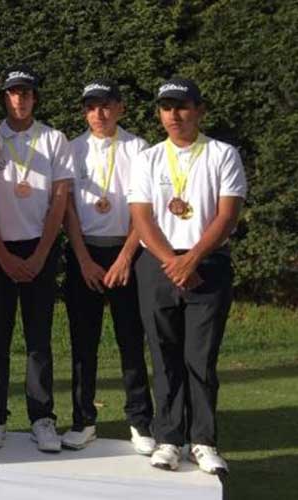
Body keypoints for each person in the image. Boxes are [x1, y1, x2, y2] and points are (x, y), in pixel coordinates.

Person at [128, 78, 246, 475]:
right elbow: (141, 217)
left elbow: (227, 214)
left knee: (201, 358)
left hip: (207, 265)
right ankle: (168, 439)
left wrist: (192, 258)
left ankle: (204, 441)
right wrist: (172, 262)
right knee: (164, 356)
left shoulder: (222, 154)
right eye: (166, 108)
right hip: (158, 265)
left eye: (181, 107)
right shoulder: (148, 158)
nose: (173, 116)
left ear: (199, 110)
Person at [0, 65, 74, 452]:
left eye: (26, 93)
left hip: (40, 249)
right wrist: (1, 253)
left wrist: (40, 254)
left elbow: (60, 200)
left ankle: (42, 418)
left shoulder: (54, 139)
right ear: (5, 98)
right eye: (13, 93)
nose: (20, 99)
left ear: (35, 97)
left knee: (38, 338)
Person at [60, 80, 155, 453]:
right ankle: (83, 421)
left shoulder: (139, 149)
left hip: (128, 254)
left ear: (120, 108)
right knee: (84, 344)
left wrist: (125, 258)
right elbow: (67, 208)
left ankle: (140, 422)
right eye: (91, 107)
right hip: (85, 256)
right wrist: (83, 259)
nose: (98, 114)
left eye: (106, 105)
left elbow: (143, 209)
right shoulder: (72, 148)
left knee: (131, 341)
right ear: (84, 111)